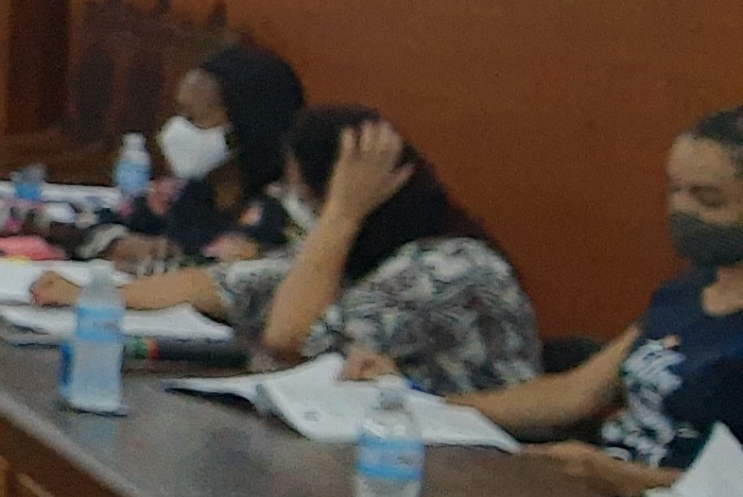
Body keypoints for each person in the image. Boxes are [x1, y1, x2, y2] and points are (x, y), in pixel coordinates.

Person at [366, 107, 743, 497]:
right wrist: (422, 405)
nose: (682, 209)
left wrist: (622, 478)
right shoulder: (688, 292)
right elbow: (575, 393)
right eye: (674, 190)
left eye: (708, 199)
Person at [36, 105, 537, 398]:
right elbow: (219, 283)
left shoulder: (448, 266)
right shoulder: (359, 253)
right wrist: (94, 295)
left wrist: (342, 212)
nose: (291, 201)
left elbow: (291, 339)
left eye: (305, 193)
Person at [89, 42, 305, 266]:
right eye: (179, 113)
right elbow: (90, 224)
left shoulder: (279, 214)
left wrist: (160, 257)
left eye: (193, 118)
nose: (174, 131)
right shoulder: (177, 194)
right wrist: (118, 243)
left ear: (245, 128)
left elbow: (222, 276)